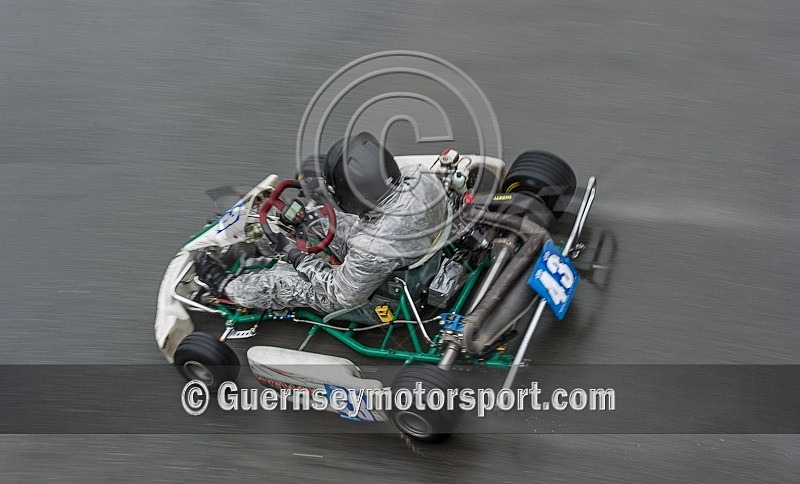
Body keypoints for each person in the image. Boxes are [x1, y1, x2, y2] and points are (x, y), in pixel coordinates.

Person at [194, 132, 448, 315]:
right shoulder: (418, 175)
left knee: (282, 281)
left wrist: (297, 258)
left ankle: (226, 286)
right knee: (316, 220)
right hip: (413, 245)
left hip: (383, 293)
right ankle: (263, 237)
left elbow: (342, 293)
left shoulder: (371, 246)